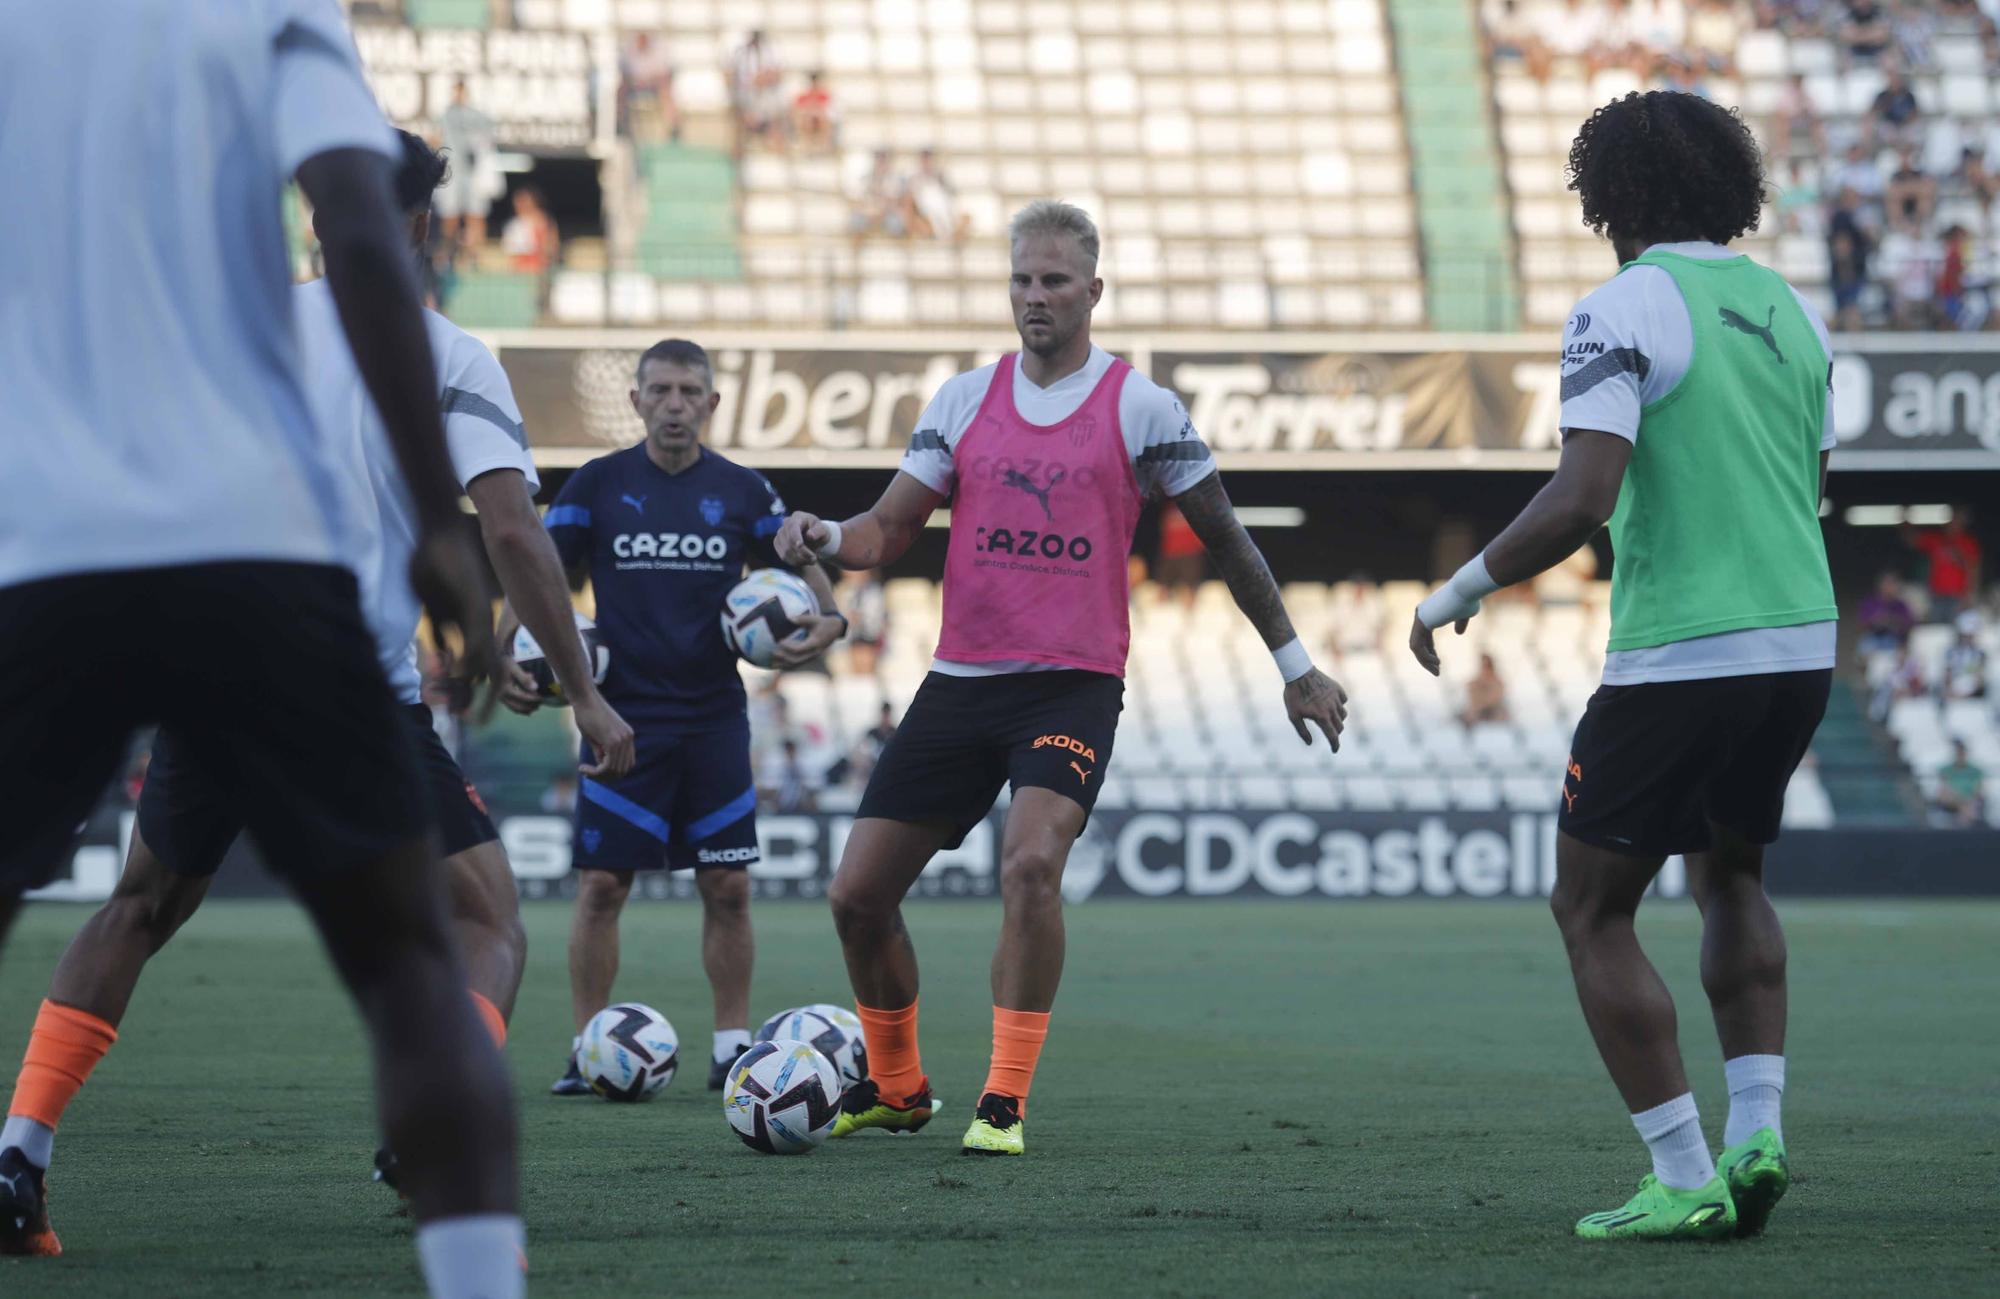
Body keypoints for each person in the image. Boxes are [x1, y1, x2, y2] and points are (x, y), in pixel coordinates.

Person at [4, 124, 638, 1235]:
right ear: (424, 224)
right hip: (340, 681)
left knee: (140, 905)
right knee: (487, 923)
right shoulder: (445, 354)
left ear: (313, 212)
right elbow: (513, 534)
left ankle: (19, 1153)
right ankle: (435, 1131)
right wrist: (580, 686)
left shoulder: (234, 332)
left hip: (205, 659)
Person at [774, 200, 1348, 1157]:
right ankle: (900, 1085)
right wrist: (826, 536)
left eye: (1052, 281)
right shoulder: (963, 398)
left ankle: (1002, 1100)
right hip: (959, 683)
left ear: (1093, 290)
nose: (1034, 297)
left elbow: (1227, 538)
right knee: (855, 897)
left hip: (1070, 686)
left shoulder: (1142, 407)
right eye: (1020, 281)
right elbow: (887, 530)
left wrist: (1295, 663)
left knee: (1031, 864)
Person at [1411, 91, 1839, 1242]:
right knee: (1731, 879)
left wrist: (1456, 591)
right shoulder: (1789, 312)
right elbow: (1810, 490)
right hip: (1799, 644)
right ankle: (1757, 1132)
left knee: (1589, 908)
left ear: (1608, 194)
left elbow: (1581, 495)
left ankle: (1683, 1170)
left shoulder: (1624, 304)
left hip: (1680, 655)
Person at [506, 339, 848, 1095]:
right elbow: (538, 571)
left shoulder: (741, 489)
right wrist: (502, 652)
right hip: (620, 720)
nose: (674, 404)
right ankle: (588, 1047)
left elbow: (797, 558)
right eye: (659, 390)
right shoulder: (596, 485)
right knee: (602, 887)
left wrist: (830, 617)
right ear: (634, 400)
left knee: (727, 886)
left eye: (690, 391)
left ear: (712, 404)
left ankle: (731, 1046)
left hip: (714, 721)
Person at [437, 80, 500, 249]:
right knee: (450, 214)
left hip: (474, 173)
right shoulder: (445, 116)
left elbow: (489, 141)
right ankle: (447, 252)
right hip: (452, 172)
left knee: (476, 214)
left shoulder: (479, 116)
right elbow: (437, 138)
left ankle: (475, 254)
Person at [1905, 506, 1981, 624]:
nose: (1953, 524)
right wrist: (1906, 521)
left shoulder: (1968, 543)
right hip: (1937, 594)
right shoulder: (1937, 540)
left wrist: (1969, 595)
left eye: (1957, 521)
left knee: (1956, 628)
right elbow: (1912, 540)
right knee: (1936, 628)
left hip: (1957, 595)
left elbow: (1973, 570)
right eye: (1951, 521)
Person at [1155, 499, 1208, 608]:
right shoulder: (1167, 508)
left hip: (1189, 552)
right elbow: (1164, 530)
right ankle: (1159, 613)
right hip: (1170, 552)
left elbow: (1202, 528)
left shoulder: (1194, 506)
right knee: (1163, 587)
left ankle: (1190, 614)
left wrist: (1198, 545)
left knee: (1189, 587)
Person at [1856, 572, 1916, 656]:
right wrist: (1877, 620)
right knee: (1866, 648)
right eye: (1887, 584)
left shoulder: (1901, 605)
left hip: (1893, 638)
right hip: (1873, 637)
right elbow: (1862, 623)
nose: (1889, 588)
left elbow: (1909, 625)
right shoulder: (1871, 602)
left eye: (1892, 585)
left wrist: (1894, 620)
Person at [1932, 740, 1986, 825]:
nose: (1960, 755)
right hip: (1952, 802)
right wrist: (1959, 800)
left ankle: (1964, 818)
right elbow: (1942, 791)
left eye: (1961, 752)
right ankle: (1965, 817)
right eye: (1958, 752)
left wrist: (1967, 800)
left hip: (1970, 802)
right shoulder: (1945, 770)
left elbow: (1979, 790)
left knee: (1971, 805)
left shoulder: (1976, 770)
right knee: (1947, 794)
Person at [791, 70, 838, 152]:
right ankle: (806, 144)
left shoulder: (824, 95)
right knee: (805, 119)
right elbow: (796, 110)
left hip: (820, 120)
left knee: (823, 119)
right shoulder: (803, 96)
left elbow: (829, 110)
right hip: (806, 119)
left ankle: (823, 144)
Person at [1942, 614, 1987, 698]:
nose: (1967, 639)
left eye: (1969, 636)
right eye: (1964, 635)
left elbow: (1980, 677)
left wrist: (1969, 690)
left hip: (1973, 690)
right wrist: (1951, 688)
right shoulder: (1950, 652)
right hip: (1953, 689)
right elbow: (1947, 674)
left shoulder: (1981, 653)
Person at [1461, 653, 1512, 725]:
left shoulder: (1498, 682)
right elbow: (1472, 694)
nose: (1485, 669)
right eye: (1483, 666)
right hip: (1478, 710)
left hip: (1493, 710)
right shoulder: (1475, 682)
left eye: (1487, 666)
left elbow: (1493, 698)